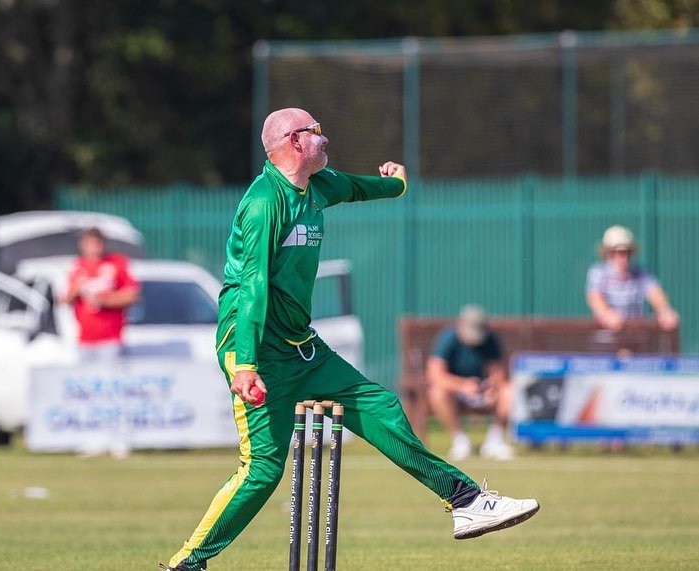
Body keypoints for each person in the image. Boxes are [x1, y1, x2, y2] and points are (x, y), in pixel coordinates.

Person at [161, 108, 539, 571]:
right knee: (262, 471)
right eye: (316, 131)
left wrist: (395, 185)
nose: (325, 138)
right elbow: (253, 285)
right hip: (255, 347)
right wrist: (245, 363)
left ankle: (465, 500)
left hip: (302, 346)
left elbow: (359, 187)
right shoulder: (264, 203)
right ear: (294, 141)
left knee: (380, 405)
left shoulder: (318, 185)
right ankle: (187, 564)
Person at [426, 305, 514, 462]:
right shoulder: (447, 338)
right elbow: (435, 376)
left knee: (509, 390)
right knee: (437, 393)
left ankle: (494, 441)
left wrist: (492, 388)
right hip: (455, 394)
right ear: (460, 325)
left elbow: (498, 373)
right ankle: (460, 441)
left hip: (482, 392)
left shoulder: (490, 339)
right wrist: (462, 386)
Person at [60, 227, 140, 361]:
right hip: (84, 340)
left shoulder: (116, 263)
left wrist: (105, 301)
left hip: (110, 340)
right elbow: (65, 299)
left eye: (97, 243)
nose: (93, 247)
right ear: (82, 245)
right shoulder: (77, 266)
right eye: (90, 243)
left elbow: (132, 295)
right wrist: (76, 289)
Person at [586, 225, 679, 332]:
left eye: (627, 252)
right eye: (618, 252)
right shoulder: (597, 272)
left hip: (635, 335)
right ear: (608, 254)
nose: (623, 258)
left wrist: (664, 310)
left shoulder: (641, 273)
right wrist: (606, 313)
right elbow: (594, 297)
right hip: (606, 336)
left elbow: (654, 292)